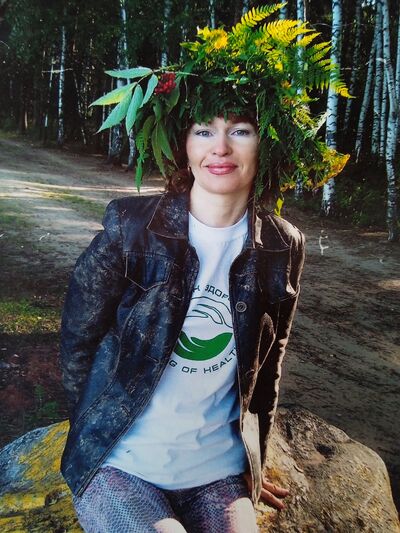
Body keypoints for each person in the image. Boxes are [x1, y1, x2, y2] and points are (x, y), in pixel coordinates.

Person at [60, 7, 348, 532]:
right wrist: (91, 433)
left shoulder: (283, 245)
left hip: (217, 471)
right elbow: (79, 337)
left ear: (268, 143)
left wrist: (256, 460)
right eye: (203, 130)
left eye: (240, 130)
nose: (220, 147)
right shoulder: (132, 227)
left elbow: (268, 366)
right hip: (123, 464)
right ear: (184, 144)